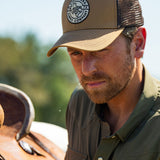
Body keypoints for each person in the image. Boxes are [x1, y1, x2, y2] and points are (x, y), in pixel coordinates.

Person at [47, 0, 160, 159]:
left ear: (138, 44)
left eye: (99, 50)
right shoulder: (80, 104)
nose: (86, 70)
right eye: (76, 53)